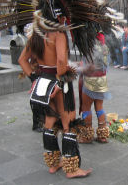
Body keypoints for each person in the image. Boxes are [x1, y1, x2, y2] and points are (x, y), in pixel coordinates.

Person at [18, 15, 92, 178]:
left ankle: (53, 163)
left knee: (49, 122)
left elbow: (22, 60)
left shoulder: (37, 35)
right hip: (60, 83)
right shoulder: (58, 34)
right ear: (57, 16)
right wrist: (60, 83)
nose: (65, 19)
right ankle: (72, 169)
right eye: (63, 16)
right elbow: (60, 61)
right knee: (68, 122)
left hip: (44, 82)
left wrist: (35, 79)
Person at [78, 32, 111, 143]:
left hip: (91, 81)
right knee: (99, 107)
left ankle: (87, 136)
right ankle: (102, 135)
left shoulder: (90, 46)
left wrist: (79, 68)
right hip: (102, 81)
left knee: (86, 108)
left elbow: (88, 67)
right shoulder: (104, 46)